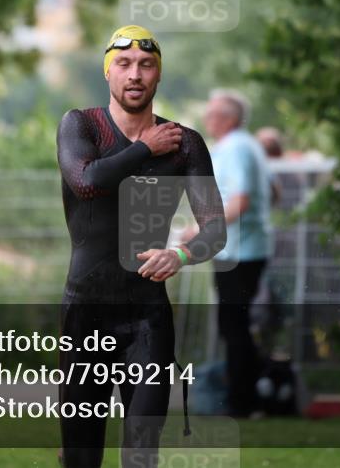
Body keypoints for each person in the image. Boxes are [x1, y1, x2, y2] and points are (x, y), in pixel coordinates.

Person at [55, 24, 227, 468]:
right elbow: (88, 182)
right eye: (125, 64)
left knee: (141, 452)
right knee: (81, 454)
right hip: (85, 314)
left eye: (146, 65)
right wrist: (144, 148)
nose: (135, 74)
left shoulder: (185, 143)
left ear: (158, 76)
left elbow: (215, 229)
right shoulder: (81, 125)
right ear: (109, 73)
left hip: (147, 318)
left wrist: (181, 254)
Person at [200, 89, 273, 418]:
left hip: (239, 252)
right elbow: (271, 192)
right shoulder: (248, 145)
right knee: (235, 324)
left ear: (228, 119)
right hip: (247, 248)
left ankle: (243, 403)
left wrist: (204, 229)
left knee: (234, 326)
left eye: (212, 113)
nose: (206, 119)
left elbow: (240, 201)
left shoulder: (235, 148)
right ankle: (251, 395)